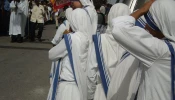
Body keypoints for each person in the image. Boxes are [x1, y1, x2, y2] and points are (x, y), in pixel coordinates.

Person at [111, 0, 175, 100]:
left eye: (151, 22)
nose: (145, 26)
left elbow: (119, 28)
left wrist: (142, 10)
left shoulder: (161, 51)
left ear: (162, 26)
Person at [88, 3, 142, 100]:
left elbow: (91, 73)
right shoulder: (136, 43)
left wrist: (90, 95)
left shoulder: (99, 40)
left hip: (102, 94)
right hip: (127, 93)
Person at [47, 8, 92, 100]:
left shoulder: (71, 39)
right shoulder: (89, 39)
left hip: (66, 87)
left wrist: (65, 38)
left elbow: (51, 54)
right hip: (81, 87)